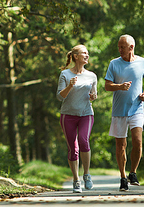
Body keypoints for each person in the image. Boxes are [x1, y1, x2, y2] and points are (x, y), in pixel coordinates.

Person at [105, 35, 144, 192]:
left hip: (137, 109)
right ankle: (123, 177)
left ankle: (133, 172)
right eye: (118, 47)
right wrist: (119, 86)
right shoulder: (114, 64)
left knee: (138, 142)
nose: (119, 50)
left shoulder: (142, 62)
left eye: (122, 47)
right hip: (119, 111)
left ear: (131, 47)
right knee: (121, 145)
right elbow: (107, 86)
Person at [57, 45, 98, 193]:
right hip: (68, 115)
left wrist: (94, 96)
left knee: (84, 140)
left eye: (88, 53)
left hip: (86, 114)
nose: (87, 55)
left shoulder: (92, 76)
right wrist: (69, 86)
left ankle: (86, 175)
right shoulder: (65, 74)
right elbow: (59, 96)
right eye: (84, 53)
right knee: (73, 149)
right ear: (75, 56)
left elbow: (94, 94)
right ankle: (76, 180)